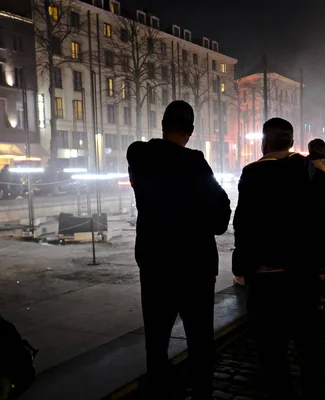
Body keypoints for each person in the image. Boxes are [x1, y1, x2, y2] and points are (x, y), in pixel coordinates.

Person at [232, 118, 325, 400]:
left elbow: (243, 225)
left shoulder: (253, 174)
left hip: (265, 278)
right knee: (309, 351)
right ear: (292, 142)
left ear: (265, 142)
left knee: (272, 356)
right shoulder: (313, 174)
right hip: (304, 277)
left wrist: (242, 268)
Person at [127, 101, 231, 400]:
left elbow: (138, 150)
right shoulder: (196, 163)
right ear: (191, 130)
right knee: (200, 342)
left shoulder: (140, 156)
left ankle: (158, 392)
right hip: (194, 266)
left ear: (163, 125)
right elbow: (221, 212)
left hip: (155, 264)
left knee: (156, 342)